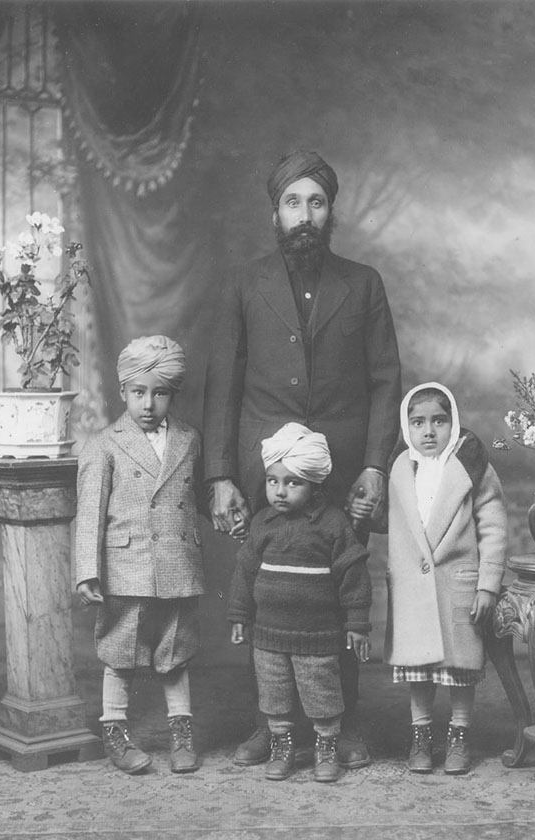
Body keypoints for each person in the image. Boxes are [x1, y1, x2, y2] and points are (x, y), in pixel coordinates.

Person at [204, 149, 401, 767]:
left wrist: (375, 465)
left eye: (316, 202)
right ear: (275, 214)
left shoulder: (362, 282)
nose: (305, 215)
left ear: (330, 211)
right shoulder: (246, 282)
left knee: (339, 593)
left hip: (344, 470)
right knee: (269, 594)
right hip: (268, 472)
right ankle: (272, 725)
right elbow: (223, 383)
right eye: (293, 202)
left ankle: (345, 722)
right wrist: (220, 475)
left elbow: (386, 381)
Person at [351, 382, 508, 774]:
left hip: (457, 583)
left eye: (439, 421)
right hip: (413, 589)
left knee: (460, 669)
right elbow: (389, 520)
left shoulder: (471, 467)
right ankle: (420, 735)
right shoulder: (399, 468)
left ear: (453, 423)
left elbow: (493, 526)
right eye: (418, 422)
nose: (429, 431)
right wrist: (366, 513)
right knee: (419, 668)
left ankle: (459, 734)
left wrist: (487, 584)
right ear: (407, 428)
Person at [75, 335, 205, 775]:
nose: (148, 404)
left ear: (173, 393)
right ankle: (115, 733)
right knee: (121, 650)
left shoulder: (189, 438)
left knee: (176, 649)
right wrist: (87, 571)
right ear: (122, 391)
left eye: (160, 393)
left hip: (178, 562)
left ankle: (182, 734)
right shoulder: (104, 444)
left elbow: (195, 499)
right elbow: (90, 514)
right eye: (138, 392)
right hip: (126, 566)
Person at [228, 423, 371, 783]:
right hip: (269, 635)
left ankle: (326, 746)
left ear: (315, 485)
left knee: (322, 694)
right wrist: (240, 615)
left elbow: (353, 575)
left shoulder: (333, 524)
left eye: (293, 483)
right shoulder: (262, 523)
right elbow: (245, 571)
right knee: (274, 694)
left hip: (317, 636)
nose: (280, 491)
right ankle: (282, 745)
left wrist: (356, 623)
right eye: (273, 481)